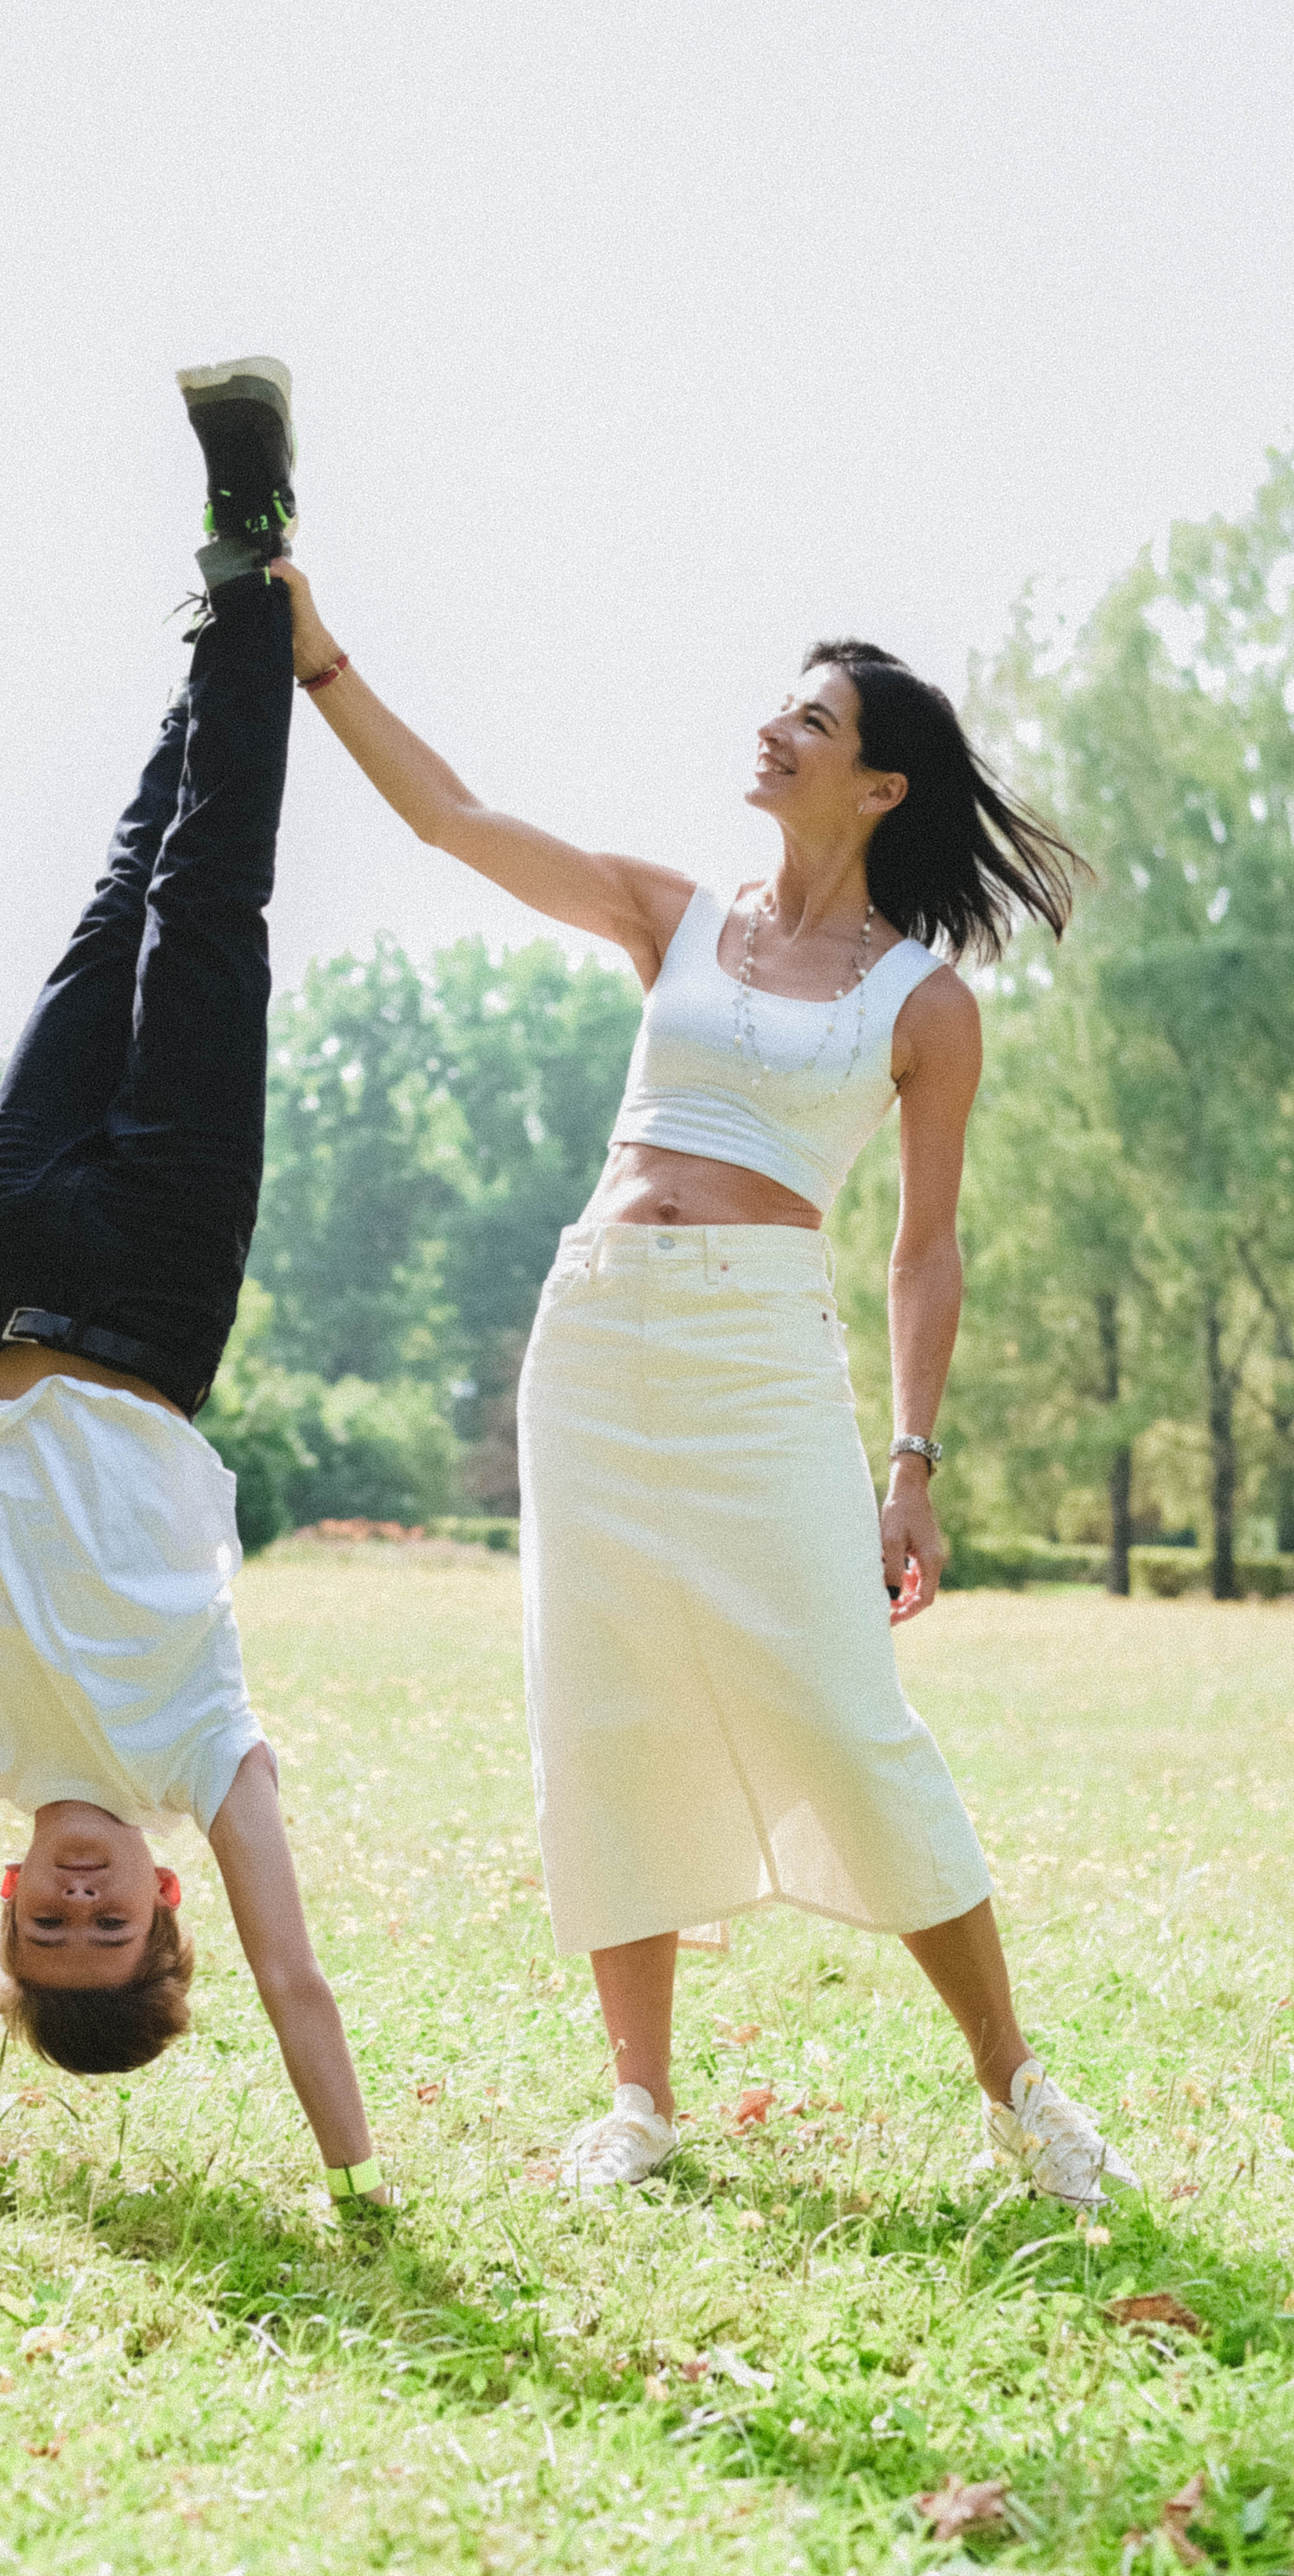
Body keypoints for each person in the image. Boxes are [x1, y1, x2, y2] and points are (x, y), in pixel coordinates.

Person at [265, 554, 1137, 2212]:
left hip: (757, 1353)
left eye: (807, 720)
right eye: (779, 707)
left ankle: (1018, 2091)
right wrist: (318, 660)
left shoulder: (923, 1003)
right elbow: (450, 817)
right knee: (602, 1704)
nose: (770, 731)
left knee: (843, 1712)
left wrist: (910, 1460)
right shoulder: (669, 915)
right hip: (592, 1334)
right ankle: (639, 2104)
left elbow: (921, 1253)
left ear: (879, 785)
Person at [0, 361, 390, 2211]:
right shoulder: (208, 1758)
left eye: (43, 1924)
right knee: (212, 908)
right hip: (173, 1290)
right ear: (162, 1911)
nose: (74, 1897)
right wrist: (361, 2194)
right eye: (105, 1927)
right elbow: (298, 1980)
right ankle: (257, 548)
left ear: (12, 1905)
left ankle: (226, 606)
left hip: (16, 1265)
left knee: (117, 898)